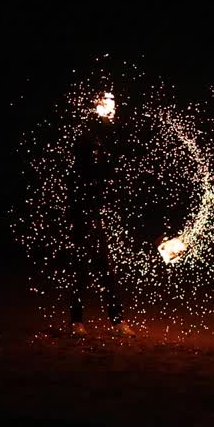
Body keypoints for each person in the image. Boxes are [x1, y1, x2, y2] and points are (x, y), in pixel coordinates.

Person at [67, 98, 132, 336]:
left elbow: (109, 179)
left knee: (105, 270)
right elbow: (82, 181)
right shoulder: (83, 154)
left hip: (92, 215)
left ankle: (116, 321)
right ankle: (78, 322)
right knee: (82, 270)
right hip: (80, 216)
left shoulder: (102, 153)